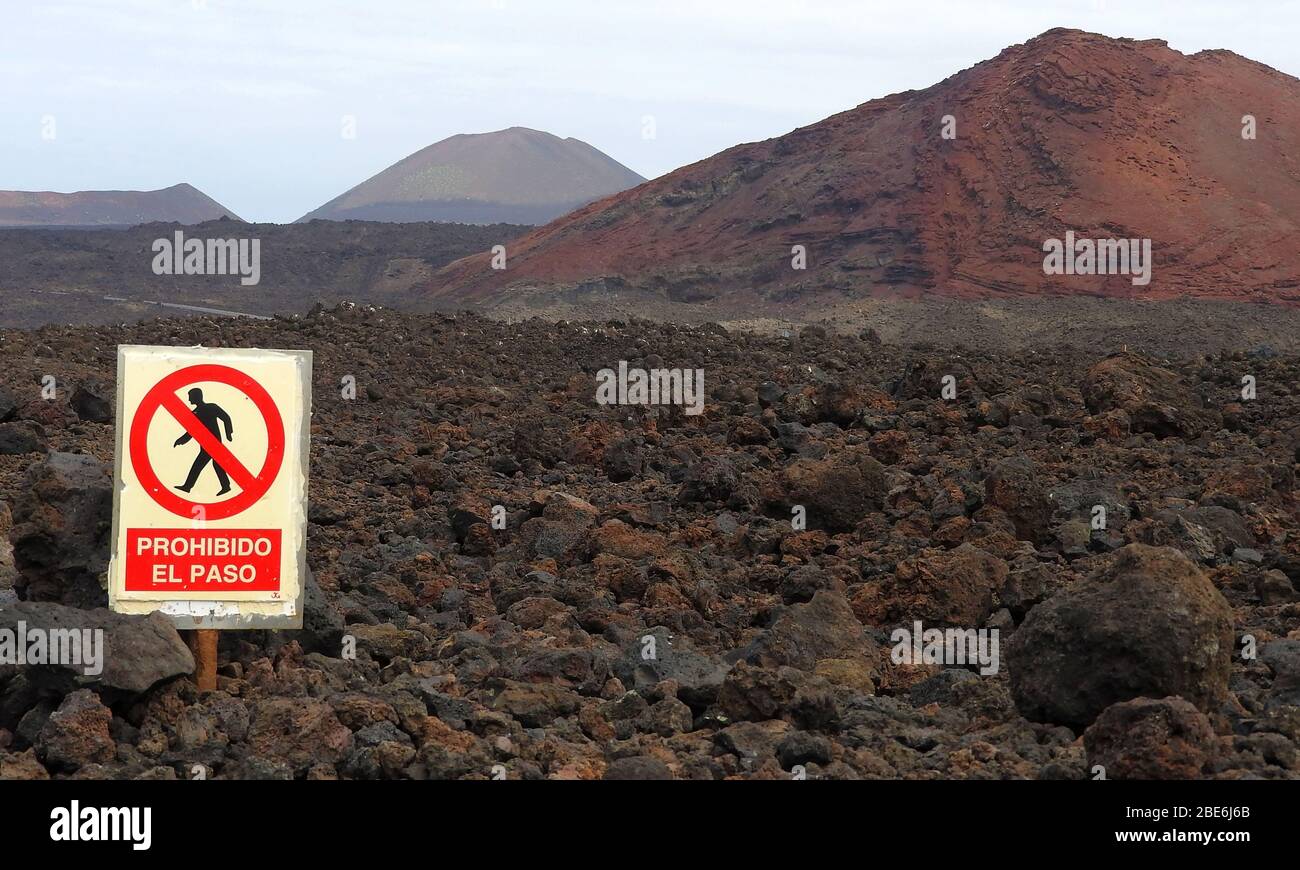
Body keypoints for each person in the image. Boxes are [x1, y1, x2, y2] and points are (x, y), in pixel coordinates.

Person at [173, 388, 235, 495]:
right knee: (216, 464)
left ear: (197, 396)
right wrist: (181, 440)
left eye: (190, 396)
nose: (189, 399)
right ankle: (225, 486)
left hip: (213, 444)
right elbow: (191, 431)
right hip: (206, 445)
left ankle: (188, 486)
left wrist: (228, 433)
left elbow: (226, 418)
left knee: (200, 465)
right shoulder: (194, 413)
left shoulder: (211, 407)